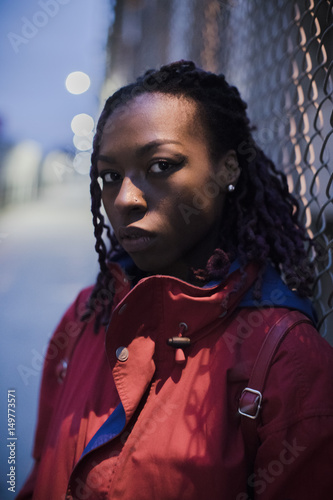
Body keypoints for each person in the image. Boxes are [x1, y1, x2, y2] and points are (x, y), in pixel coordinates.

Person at [17, 60, 333, 500]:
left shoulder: (288, 360)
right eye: (109, 176)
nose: (125, 198)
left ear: (227, 169)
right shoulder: (85, 317)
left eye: (161, 165)